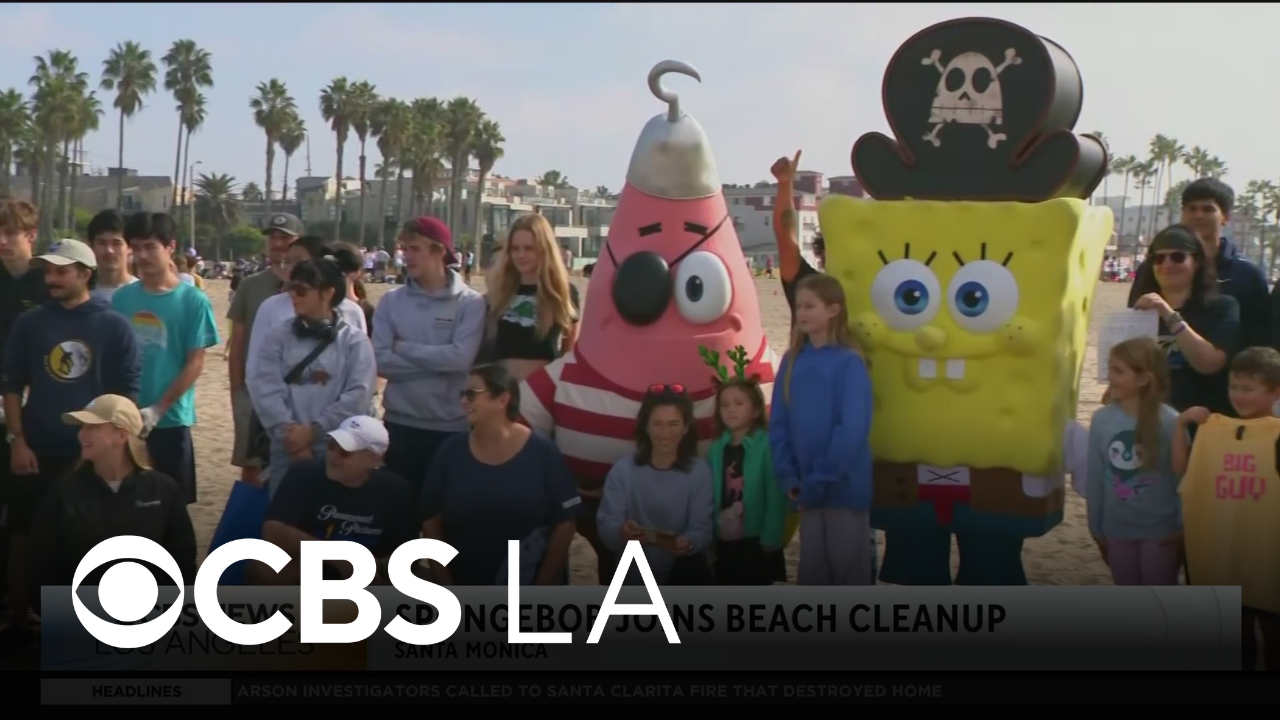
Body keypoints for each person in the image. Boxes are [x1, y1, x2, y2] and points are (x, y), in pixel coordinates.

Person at [0, 240, 140, 653]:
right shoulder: (31, 323)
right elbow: (12, 385)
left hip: (91, 453)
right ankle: (20, 621)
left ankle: (89, 623)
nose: (52, 279)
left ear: (85, 273)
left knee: (91, 539)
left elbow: (126, 394)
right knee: (22, 535)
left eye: (62, 271)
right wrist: (17, 440)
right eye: (48, 271)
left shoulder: (114, 325)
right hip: (37, 446)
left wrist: (111, 449)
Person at [421, 364, 580, 585]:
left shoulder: (542, 451)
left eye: (472, 394)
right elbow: (430, 520)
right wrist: (446, 585)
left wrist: (541, 589)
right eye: (462, 394)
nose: (464, 401)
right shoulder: (450, 450)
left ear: (502, 399)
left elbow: (566, 523)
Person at [1172, 347, 1280, 670]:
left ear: (1275, 392)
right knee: (1238, 637)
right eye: (1234, 386)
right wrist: (1181, 424)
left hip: (1267, 558)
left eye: (1248, 388)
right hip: (1227, 556)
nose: (1239, 395)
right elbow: (1182, 472)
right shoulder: (1213, 431)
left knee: (1273, 636)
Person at [27, 395, 196, 600]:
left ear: (122, 435)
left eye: (92, 427)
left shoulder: (163, 491)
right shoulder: (65, 492)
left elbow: (183, 562)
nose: (81, 435)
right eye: (82, 427)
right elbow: (41, 565)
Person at [769, 273, 873, 586]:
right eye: (798, 306)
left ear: (833, 310)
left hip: (843, 489)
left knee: (847, 573)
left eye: (809, 306)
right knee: (813, 573)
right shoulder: (792, 361)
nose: (801, 312)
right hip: (803, 490)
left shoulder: (849, 363)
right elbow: (779, 423)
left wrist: (818, 482)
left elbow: (851, 430)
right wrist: (788, 476)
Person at [112, 213, 221, 506]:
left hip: (171, 419)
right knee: (128, 503)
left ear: (170, 247)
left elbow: (195, 362)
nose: (142, 256)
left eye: (150, 247)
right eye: (136, 248)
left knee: (172, 504)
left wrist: (159, 408)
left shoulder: (193, 300)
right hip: (127, 417)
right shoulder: (122, 299)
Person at [372, 217, 485, 494]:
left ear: (439, 251)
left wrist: (403, 348)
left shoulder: (470, 303)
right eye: (404, 249)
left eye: (415, 249)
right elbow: (380, 361)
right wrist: (440, 361)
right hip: (399, 424)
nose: (406, 257)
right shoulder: (391, 301)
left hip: (451, 427)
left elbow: (460, 359)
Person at [247, 258, 377, 494]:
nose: (293, 296)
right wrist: (291, 437)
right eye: (291, 288)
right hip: (286, 447)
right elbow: (264, 389)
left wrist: (314, 430)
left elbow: (358, 396)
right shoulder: (277, 337)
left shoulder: (355, 341)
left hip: (338, 450)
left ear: (328, 293)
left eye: (302, 290)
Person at [250, 415, 415, 584]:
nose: (333, 457)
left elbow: (404, 552)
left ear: (373, 459)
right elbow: (273, 530)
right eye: (331, 446)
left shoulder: (394, 489)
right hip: (310, 565)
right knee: (265, 568)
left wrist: (372, 567)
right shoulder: (305, 472)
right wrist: (336, 557)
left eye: (344, 453)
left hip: (366, 572)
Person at [1085, 337, 1182, 586]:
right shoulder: (1101, 420)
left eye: (1118, 371)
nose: (1111, 377)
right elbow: (1095, 477)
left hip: (1160, 530)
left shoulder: (1171, 421)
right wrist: (1096, 526)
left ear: (1143, 379)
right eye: (1110, 369)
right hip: (1116, 529)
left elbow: (1182, 479)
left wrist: (1181, 527)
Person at [596, 385, 715, 585]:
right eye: (657, 424)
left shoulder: (700, 472)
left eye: (673, 424)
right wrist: (621, 532)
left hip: (682, 573)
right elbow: (606, 525)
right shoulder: (623, 470)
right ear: (646, 426)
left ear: (685, 428)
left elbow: (702, 527)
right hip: (633, 573)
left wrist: (689, 543)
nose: (664, 433)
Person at [1128, 179, 1268, 348]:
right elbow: (1135, 319)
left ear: (1226, 217)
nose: (1198, 215)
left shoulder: (1248, 275)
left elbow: (1258, 339)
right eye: (1191, 208)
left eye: (1208, 209)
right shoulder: (1155, 267)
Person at [1130, 224, 1240, 415]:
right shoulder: (1141, 311)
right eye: (1158, 258)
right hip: (1149, 420)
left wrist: (1169, 315)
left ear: (1197, 262)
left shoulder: (1222, 307)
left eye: (1177, 257)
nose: (1167, 265)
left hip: (1201, 419)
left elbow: (1210, 364)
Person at [228, 213, 304, 486]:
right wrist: (238, 393)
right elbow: (238, 344)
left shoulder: (311, 288)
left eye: (285, 237)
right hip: (253, 393)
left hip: (299, 394)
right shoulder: (250, 285)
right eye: (273, 237)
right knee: (252, 468)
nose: (278, 243)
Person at [0, 200, 48, 607]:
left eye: (10, 232)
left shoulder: (47, 281)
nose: (2, 241)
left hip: (34, 409)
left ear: (31, 235)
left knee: (29, 508)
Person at [706, 363, 788, 585]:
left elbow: (775, 495)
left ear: (756, 410)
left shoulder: (766, 446)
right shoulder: (717, 448)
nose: (730, 410)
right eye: (724, 405)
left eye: (739, 403)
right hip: (725, 538)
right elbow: (711, 493)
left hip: (756, 539)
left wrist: (772, 535)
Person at [247, 237, 367, 378]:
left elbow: (361, 367)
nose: (291, 267)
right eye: (288, 261)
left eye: (298, 260)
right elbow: (256, 364)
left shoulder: (352, 311)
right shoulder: (270, 307)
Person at [484, 213, 580, 380]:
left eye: (529, 248)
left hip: (542, 388)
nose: (521, 255)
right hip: (501, 388)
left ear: (544, 249)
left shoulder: (564, 293)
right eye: (515, 248)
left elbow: (568, 351)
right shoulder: (499, 291)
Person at [770, 151, 824, 319]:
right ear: (822, 254)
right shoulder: (808, 283)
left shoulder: (867, 290)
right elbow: (785, 234)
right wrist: (785, 184)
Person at [86, 209, 138, 302]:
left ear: (130, 247)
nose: (109, 250)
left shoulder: (144, 293)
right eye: (102, 243)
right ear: (91, 246)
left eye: (116, 243)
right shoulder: (82, 295)